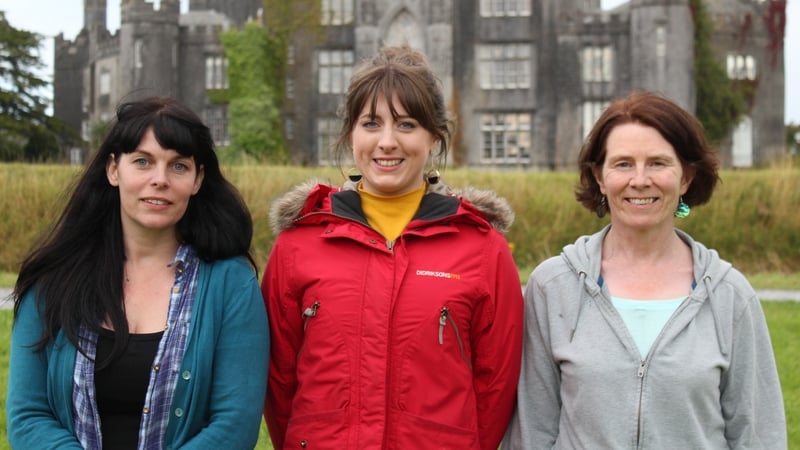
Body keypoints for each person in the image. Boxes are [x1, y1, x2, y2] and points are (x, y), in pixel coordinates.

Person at [261, 45, 523, 449]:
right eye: (371, 123)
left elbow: (496, 387)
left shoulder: (483, 249)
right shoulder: (299, 243)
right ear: (350, 133)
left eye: (406, 124)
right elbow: (278, 383)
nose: (387, 142)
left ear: (434, 135)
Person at [503, 90, 787, 448]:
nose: (639, 180)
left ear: (685, 177)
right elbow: (533, 430)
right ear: (600, 177)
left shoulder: (730, 296)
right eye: (623, 164)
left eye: (657, 163)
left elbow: (758, 435)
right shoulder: (552, 286)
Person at [7, 96, 269, 449]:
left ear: (197, 179)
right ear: (114, 169)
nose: (160, 179)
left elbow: (234, 426)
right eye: (143, 162)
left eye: (178, 166)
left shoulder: (231, 285)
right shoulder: (53, 280)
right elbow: (27, 417)